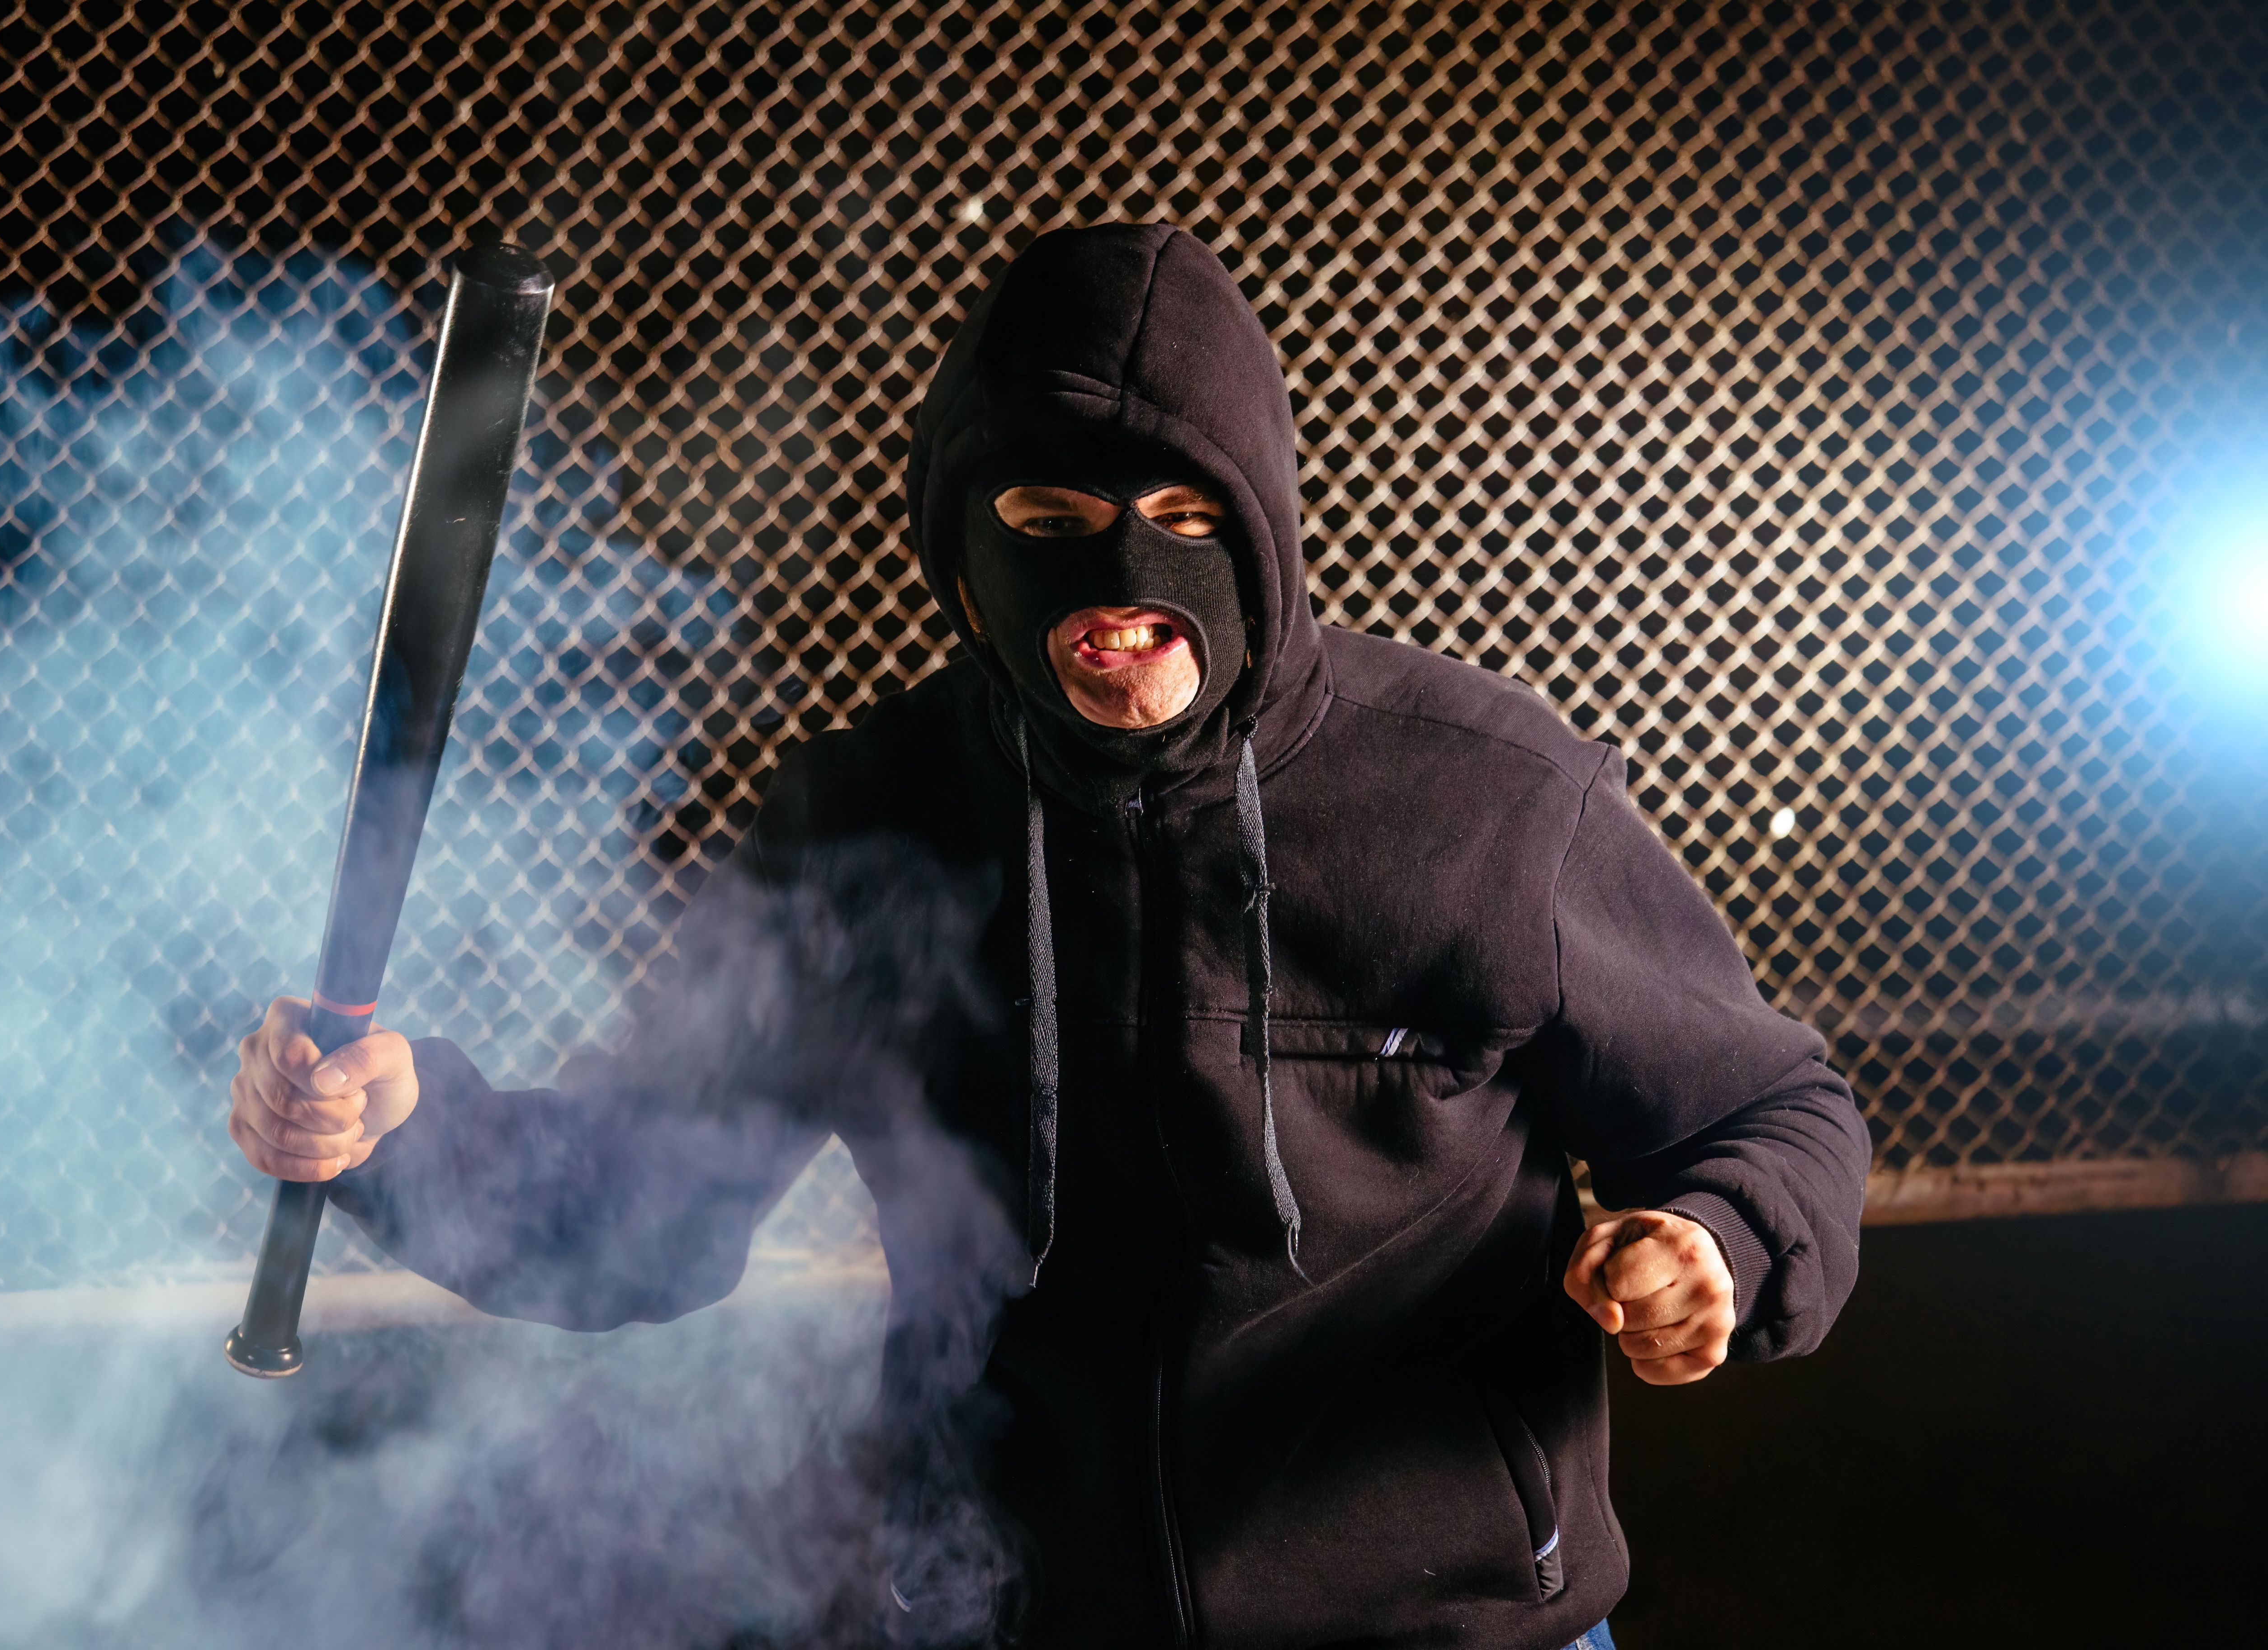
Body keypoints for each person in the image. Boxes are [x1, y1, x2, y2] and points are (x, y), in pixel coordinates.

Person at [229, 223, 1868, 1649]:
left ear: (1269, 531)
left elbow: (1774, 1114)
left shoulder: (1489, 803)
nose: (1124, 569)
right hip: (995, 1610)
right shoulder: (863, 825)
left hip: (1438, 1628)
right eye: (1049, 509)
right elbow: (643, 1203)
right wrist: (402, 1135)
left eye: (1182, 509)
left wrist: (1721, 1243)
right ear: (961, 539)